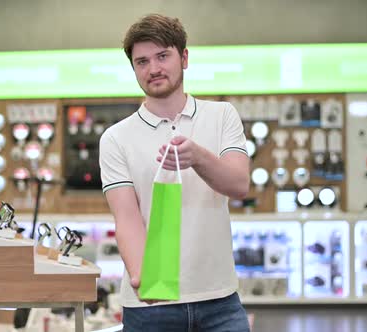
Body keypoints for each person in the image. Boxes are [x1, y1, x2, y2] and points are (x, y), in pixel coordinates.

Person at [99, 13, 251, 331]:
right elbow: (126, 218)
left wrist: (197, 156)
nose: (153, 69)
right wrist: (142, 276)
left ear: (184, 57)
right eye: (142, 62)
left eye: (162, 56)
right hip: (150, 308)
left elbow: (239, 185)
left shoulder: (222, 116)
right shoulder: (115, 138)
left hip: (220, 300)